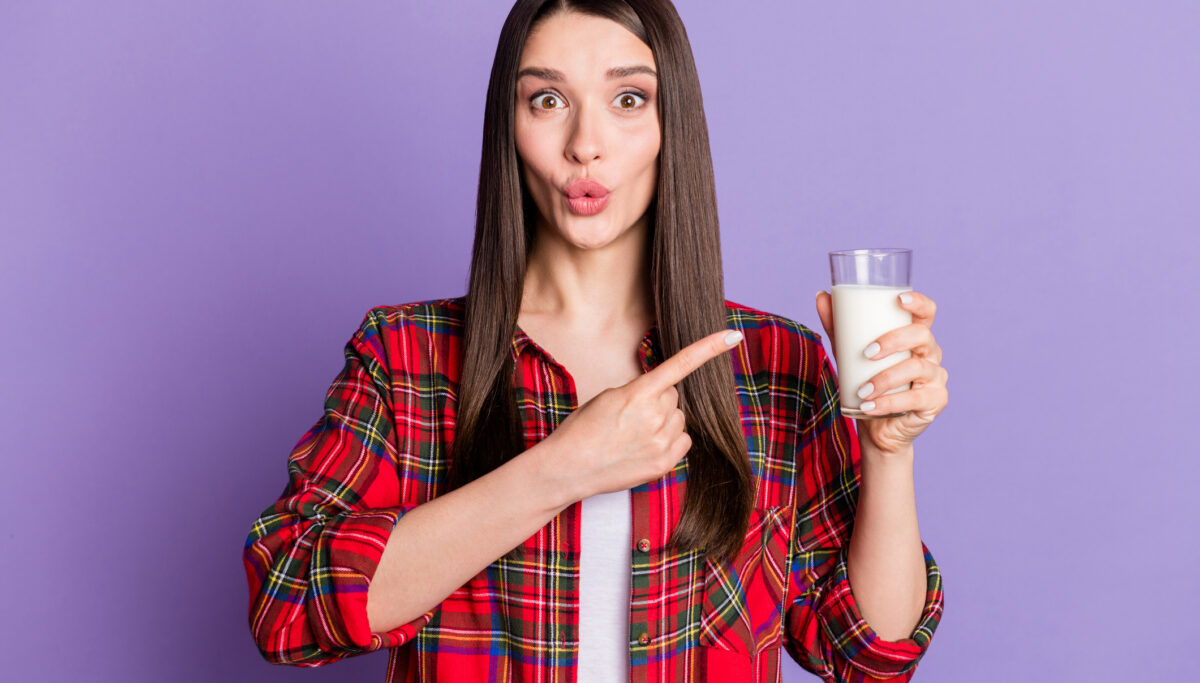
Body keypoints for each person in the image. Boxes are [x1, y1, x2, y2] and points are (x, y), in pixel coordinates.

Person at [242, 0, 948, 681]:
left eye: (629, 100)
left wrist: (889, 454)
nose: (585, 143)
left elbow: (868, 655)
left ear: (674, 125)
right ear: (508, 126)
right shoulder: (405, 357)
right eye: (547, 100)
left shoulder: (775, 366)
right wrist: (560, 470)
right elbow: (287, 604)